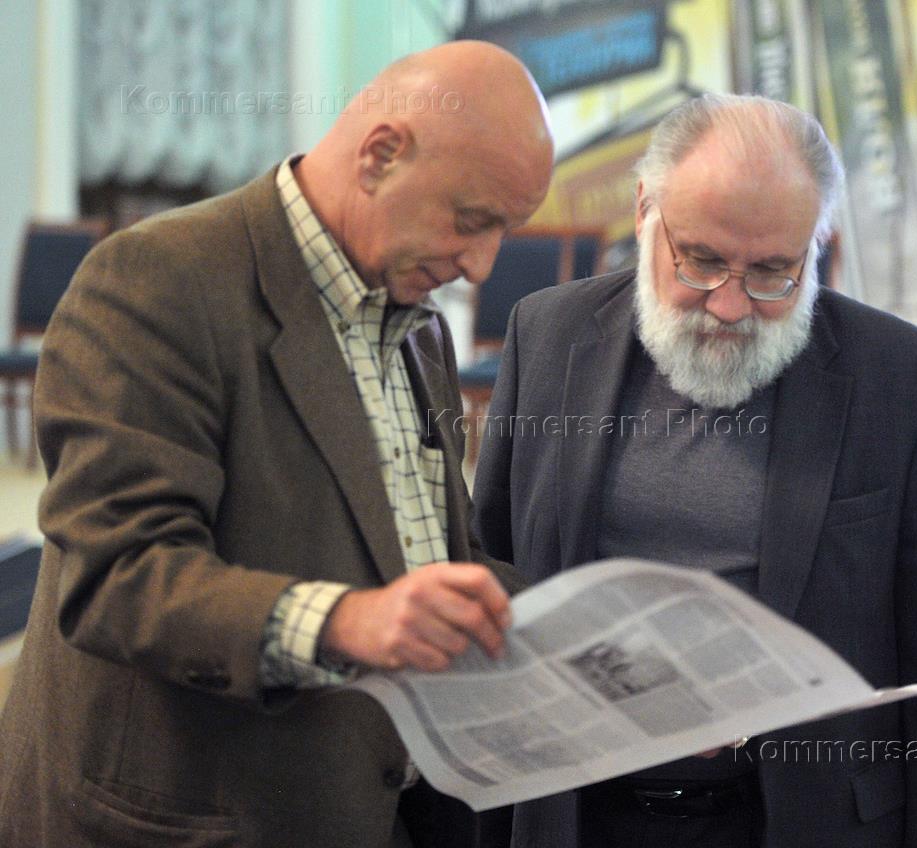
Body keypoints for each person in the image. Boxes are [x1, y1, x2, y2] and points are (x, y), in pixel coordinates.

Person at [0, 41, 553, 848]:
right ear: (380, 155)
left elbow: (425, 554)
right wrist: (346, 621)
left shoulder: (418, 329)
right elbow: (120, 576)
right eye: (471, 221)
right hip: (196, 818)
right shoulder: (158, 280)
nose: (480, 264)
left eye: (505, 230)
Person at [472, 93, 917, 848]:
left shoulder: (910, 383)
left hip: (799, 819)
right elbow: (492, 574)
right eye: (703, 260)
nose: (729, 305)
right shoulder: (548, 333)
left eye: (773, 272)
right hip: (574, 811)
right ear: (644, 209)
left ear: (818, 244)